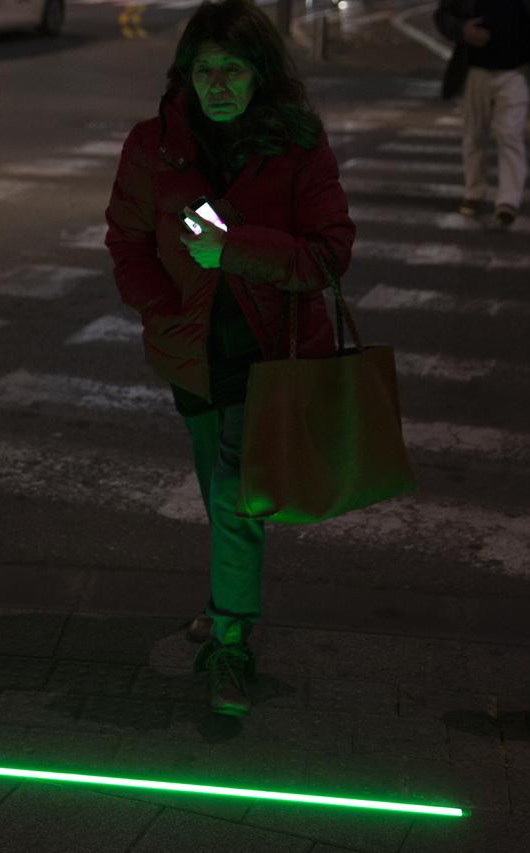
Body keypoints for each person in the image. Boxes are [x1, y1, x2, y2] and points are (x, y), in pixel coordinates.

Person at [104, 0, 355, 717]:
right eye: (205, 71)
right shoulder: (153, 147)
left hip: (269, 357)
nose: (218, 86)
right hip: (191, 357)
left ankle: (232, 647)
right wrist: (162, 305)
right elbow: (126, 239)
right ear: (186, 75)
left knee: (234, 496)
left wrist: (234, 249)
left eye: (233, 70)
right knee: (224, 498)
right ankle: (225, 601)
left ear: (260, 75)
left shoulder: (297, 146)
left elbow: (330, 255)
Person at [434, 0, 530, 227]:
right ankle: (474, 191)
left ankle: (508, 201)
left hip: (517, 70)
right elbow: (443, 15)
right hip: (475, 68)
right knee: (475, 134)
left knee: (509, 133)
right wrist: (462, 31)